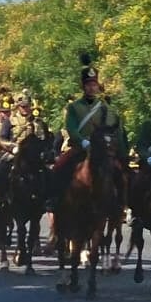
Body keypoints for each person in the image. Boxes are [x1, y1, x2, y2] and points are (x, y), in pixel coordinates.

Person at [48, 55, 127, 208]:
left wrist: (123, 155)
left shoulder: (108, 109)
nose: (91, 87)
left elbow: (117, 132)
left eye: (94, 84)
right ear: (83, 87)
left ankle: (121, 206)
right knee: (59, 166)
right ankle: (54, 200)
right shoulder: (74, 107)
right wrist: (83, 141)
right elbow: (71, 127)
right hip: (80, 149)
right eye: (88, 84)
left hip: (104, 152)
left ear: (98, 86)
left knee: (121, 175)